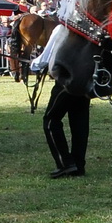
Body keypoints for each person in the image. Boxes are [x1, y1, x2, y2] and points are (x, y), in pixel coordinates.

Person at [32, 29, 90, 178]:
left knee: (51, 121)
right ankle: (78, 165)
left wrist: (33, 64)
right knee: (80, 123)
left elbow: (47, 56)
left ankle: (65, 164)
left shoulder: (62, 29)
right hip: (85, 81)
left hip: (66, 81)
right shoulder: (90, 29)